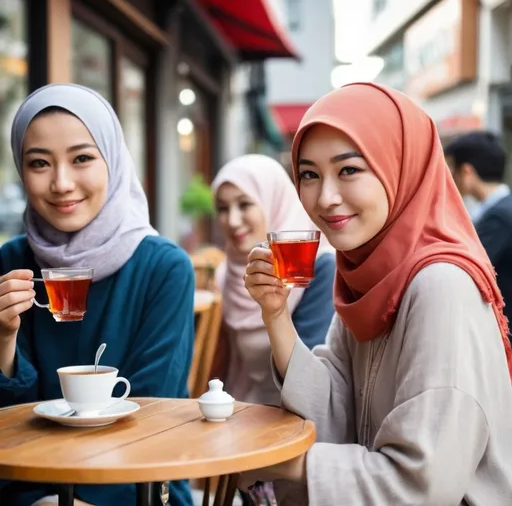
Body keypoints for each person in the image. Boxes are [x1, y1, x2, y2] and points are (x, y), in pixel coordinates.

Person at [241, 83, 512, 505]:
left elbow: (420, 483)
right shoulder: (368, 273)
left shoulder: (441, 284)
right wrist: (275, 315)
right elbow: (336, 412)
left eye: (348, 170)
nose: (325, 198)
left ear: (399, 166)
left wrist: (274, 461)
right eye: (309, 174)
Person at [0, 84, 194, 506]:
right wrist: (3, 339)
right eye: (39, 163)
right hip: (28, 485)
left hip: (137, 483)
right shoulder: (11, 264)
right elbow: (8, 426)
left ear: (114, 160)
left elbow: (152, 415)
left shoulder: (162, 268)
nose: (62, 183)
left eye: (82, 158)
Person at [211, 154, 335, 407]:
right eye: (223, 209)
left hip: (299, 421)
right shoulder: (225, 274)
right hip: (239, 410)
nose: (232, 220)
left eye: (244, 204)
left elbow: (312, 376)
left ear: (275, 202)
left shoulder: (318, 268)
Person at [444, 130, 512, 327]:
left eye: (451, 171)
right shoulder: (502, 208)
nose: (450, 179)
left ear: (467, 172)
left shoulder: (498, 217)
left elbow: (466, 270)